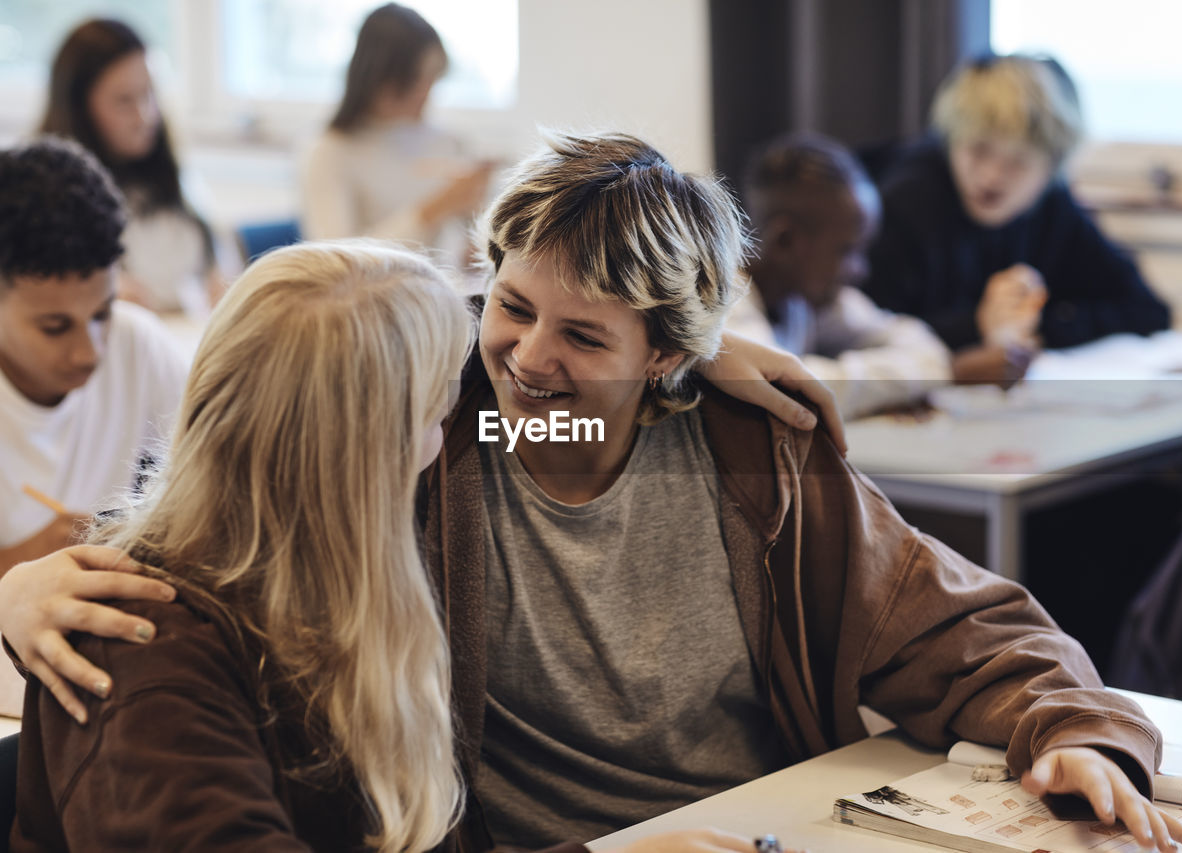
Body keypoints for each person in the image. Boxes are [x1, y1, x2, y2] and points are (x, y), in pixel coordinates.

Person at [1, 133, 1182, 853]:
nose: (523, 360)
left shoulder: (746, 451)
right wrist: (13, 583)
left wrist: (1075, 730)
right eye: (508, 309)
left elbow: (964, 628)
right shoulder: (441, 432)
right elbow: (303, 412)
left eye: (583, 334)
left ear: (665, 356)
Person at [5, 241, 783, 853]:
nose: (457, 431)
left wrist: (689, 360)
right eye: (435, 414)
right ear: (369, 454)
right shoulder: (143, 641)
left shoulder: (323, 587)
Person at [0, 137, 187, 715]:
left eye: (101, 312)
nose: (90, 350)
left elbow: (220, 485)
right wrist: (17, 567)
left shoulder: (139, 347)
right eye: (56, 326)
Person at [863, 54, 1171, 353]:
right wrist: (977, 325)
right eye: (978, 150)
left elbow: (1148, 309)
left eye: (1017, 162)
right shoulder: (905, 200)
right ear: (952, 139)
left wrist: (1039, 323)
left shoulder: (1054, 206)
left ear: (1051, 167)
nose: (991, 177)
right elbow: (857, 333)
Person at [731, 133, 1033, 419]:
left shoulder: (799, 297)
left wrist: (925, 375)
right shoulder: (724, 312)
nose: (861, 269)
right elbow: (788, 388)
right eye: (846, 251)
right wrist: (949, 373)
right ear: (786, 242)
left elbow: (910, 338)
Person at [40, 18, 231, 315]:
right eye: (124, 101)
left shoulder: (172, 177)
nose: (145, 116)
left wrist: (226, 284)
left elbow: (223, 261)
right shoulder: (49, 196)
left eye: (149, 94)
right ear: (80, 109)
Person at [301, 3, 494, 266]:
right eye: (416, 81)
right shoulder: (330, 152)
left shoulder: (445, 141)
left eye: (433, 79)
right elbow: (337, 264)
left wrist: (476, 232)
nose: (425, 94)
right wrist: (432, 211)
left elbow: (467, 244)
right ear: (379, 78)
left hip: (436, 286)